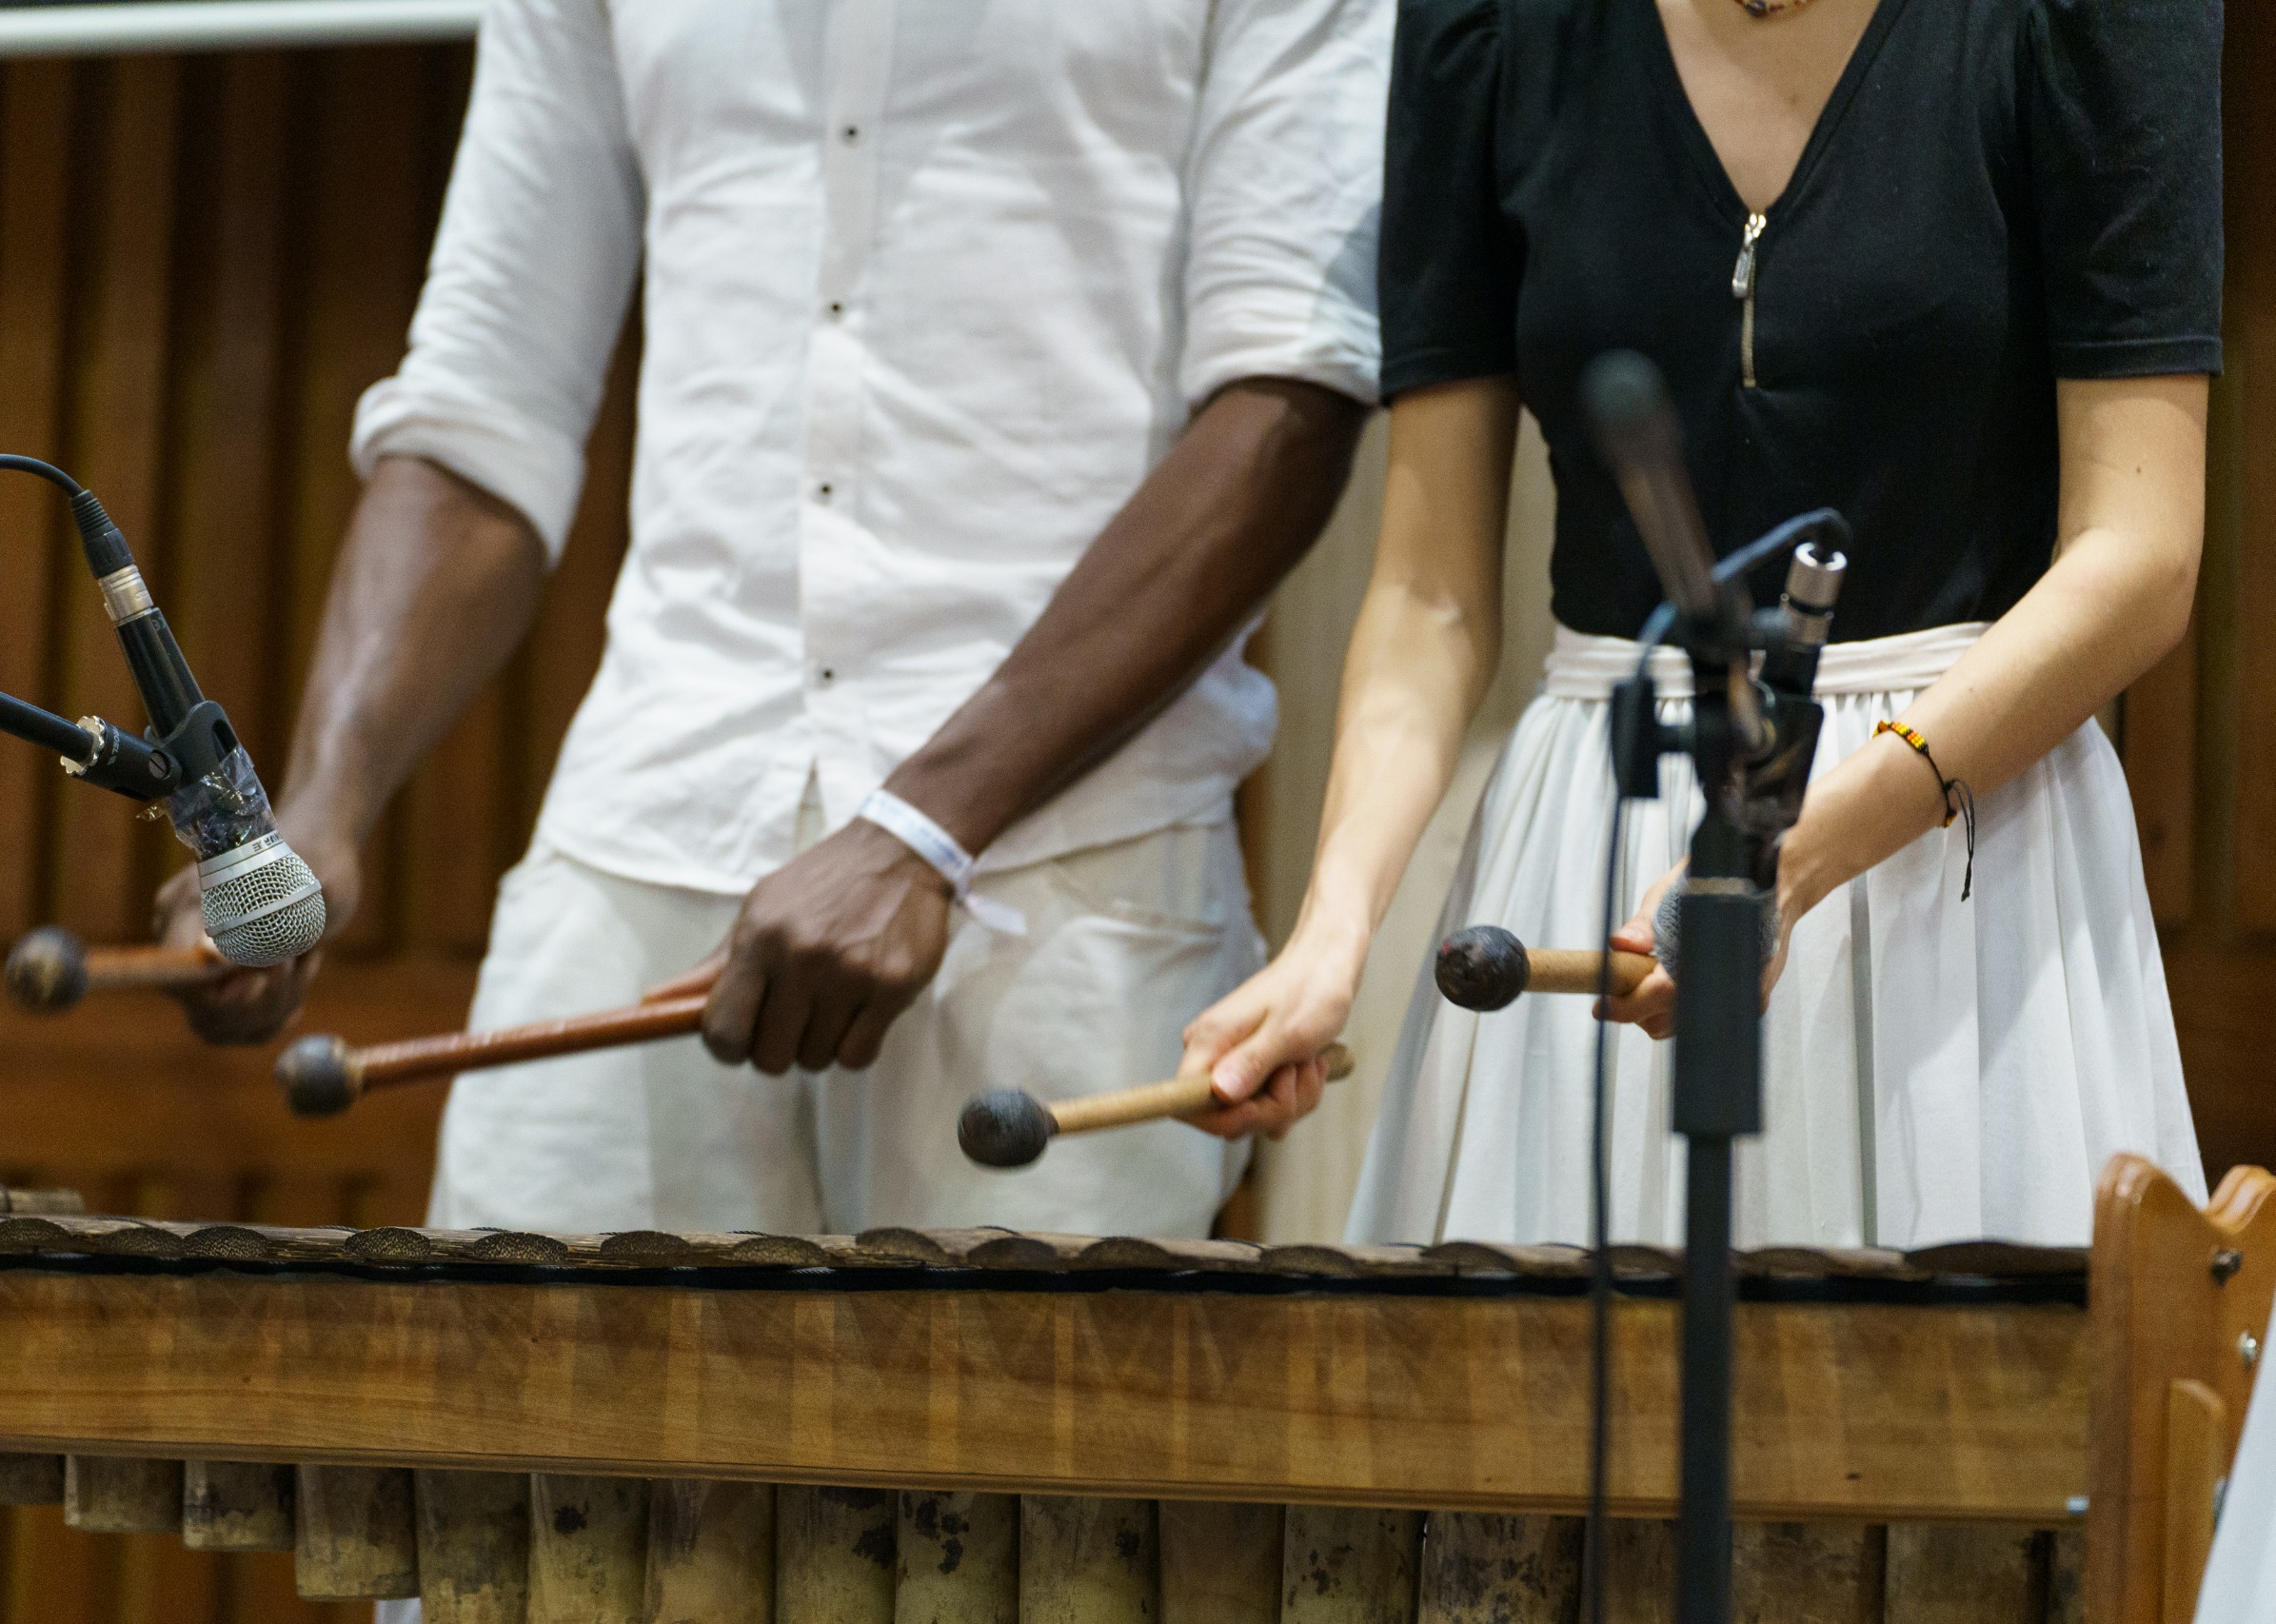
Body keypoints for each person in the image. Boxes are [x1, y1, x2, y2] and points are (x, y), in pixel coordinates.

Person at [157, 0, 1391, 1241]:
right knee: (508, 1424)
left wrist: (923, 827)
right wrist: (324, 802)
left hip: (1066, 872)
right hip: (647, 818)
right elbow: (484, 402)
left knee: (1018, 1436)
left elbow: (1286, 399)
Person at [1182, 0, 2218, 1249]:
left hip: (1958, 840)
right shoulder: (1486, 23)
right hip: (1601, 836)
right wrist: (1330, 933)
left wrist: (1801, 852)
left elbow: (2142, 554)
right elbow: (1430, 592)